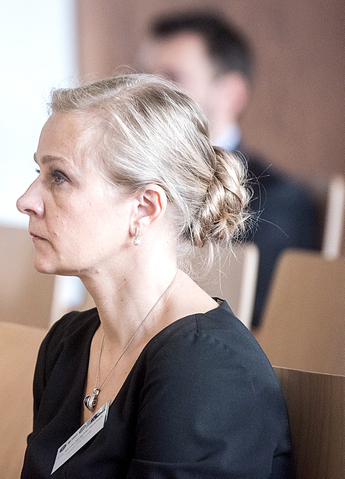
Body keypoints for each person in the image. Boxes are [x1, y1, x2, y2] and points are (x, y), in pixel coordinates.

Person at [17, 74, 292, 478]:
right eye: (38, 172)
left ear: (145, 209)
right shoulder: (66, 344)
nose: (25, 200)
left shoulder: (207, 370)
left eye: (59, 177)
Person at [139, 10, 318, 327]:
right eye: (145, 78)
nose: (148, 95)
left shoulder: (278, 200)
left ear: (232, 94)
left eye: (173, 78)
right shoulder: (130, 182)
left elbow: (258, 322)